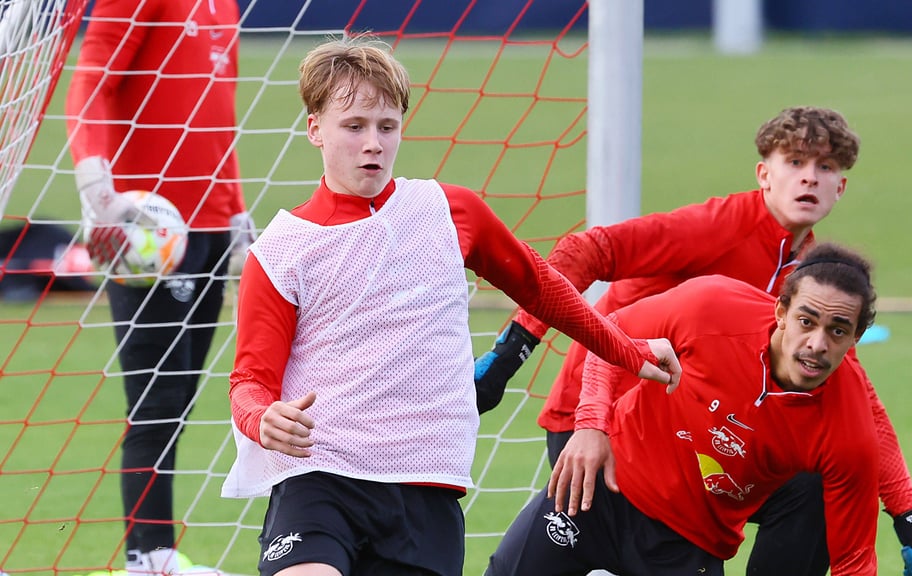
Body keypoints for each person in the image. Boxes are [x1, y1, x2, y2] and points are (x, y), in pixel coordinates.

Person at [219, 35, 681, 576]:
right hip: (321, 477)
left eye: (386, 127)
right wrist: (260, 419)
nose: (373, 143)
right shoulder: (280, 252)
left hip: (424, 484)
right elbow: (249, 381)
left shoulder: (449, 210)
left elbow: (544, 290)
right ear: (315, 129)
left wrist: (626, 348)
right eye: (354, 126)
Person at [475, 106, 912, 575]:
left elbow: (860, 411)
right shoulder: (719, 229)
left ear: (841, 186)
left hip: (708, 437)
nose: (809, 178)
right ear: (764, 174)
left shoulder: (817, 282)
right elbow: (588, 250)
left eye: (825, 167)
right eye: (795, 162)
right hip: (601, 415)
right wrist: (508, 356)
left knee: (813, 489)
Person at [486, 243, 885, 576]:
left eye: (837, 330)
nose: (817, 343)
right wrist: (591, 426)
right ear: (781, 313)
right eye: (806, 321)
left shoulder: (849, 431)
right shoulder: (711, 306)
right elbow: (611, 334)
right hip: (597, 496)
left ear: (856, 337)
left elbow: (855, 561)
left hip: (688, 544)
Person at [64, 0, 254, 573]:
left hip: (211, 231)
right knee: (156, 402)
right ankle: (146, 556)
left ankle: (158, 551)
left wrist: (237, 209)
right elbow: (92, 75)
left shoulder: (225, 7)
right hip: (145, 232)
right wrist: (93, 176)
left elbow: (217, 121)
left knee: (181, 401)